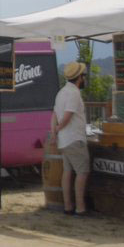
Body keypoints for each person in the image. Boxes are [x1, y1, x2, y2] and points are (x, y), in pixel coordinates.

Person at [52, 62, 89, 216]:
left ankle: (68, 206)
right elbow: (67, 116)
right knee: (82, 172)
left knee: (67, 172)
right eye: (84, 76)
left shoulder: (61, 92)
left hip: (64, 139)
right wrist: (58, 128)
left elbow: (54, 114)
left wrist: (55, 132)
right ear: (80, 77)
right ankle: (80, 207)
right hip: (74, 138)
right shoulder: (74, 94)